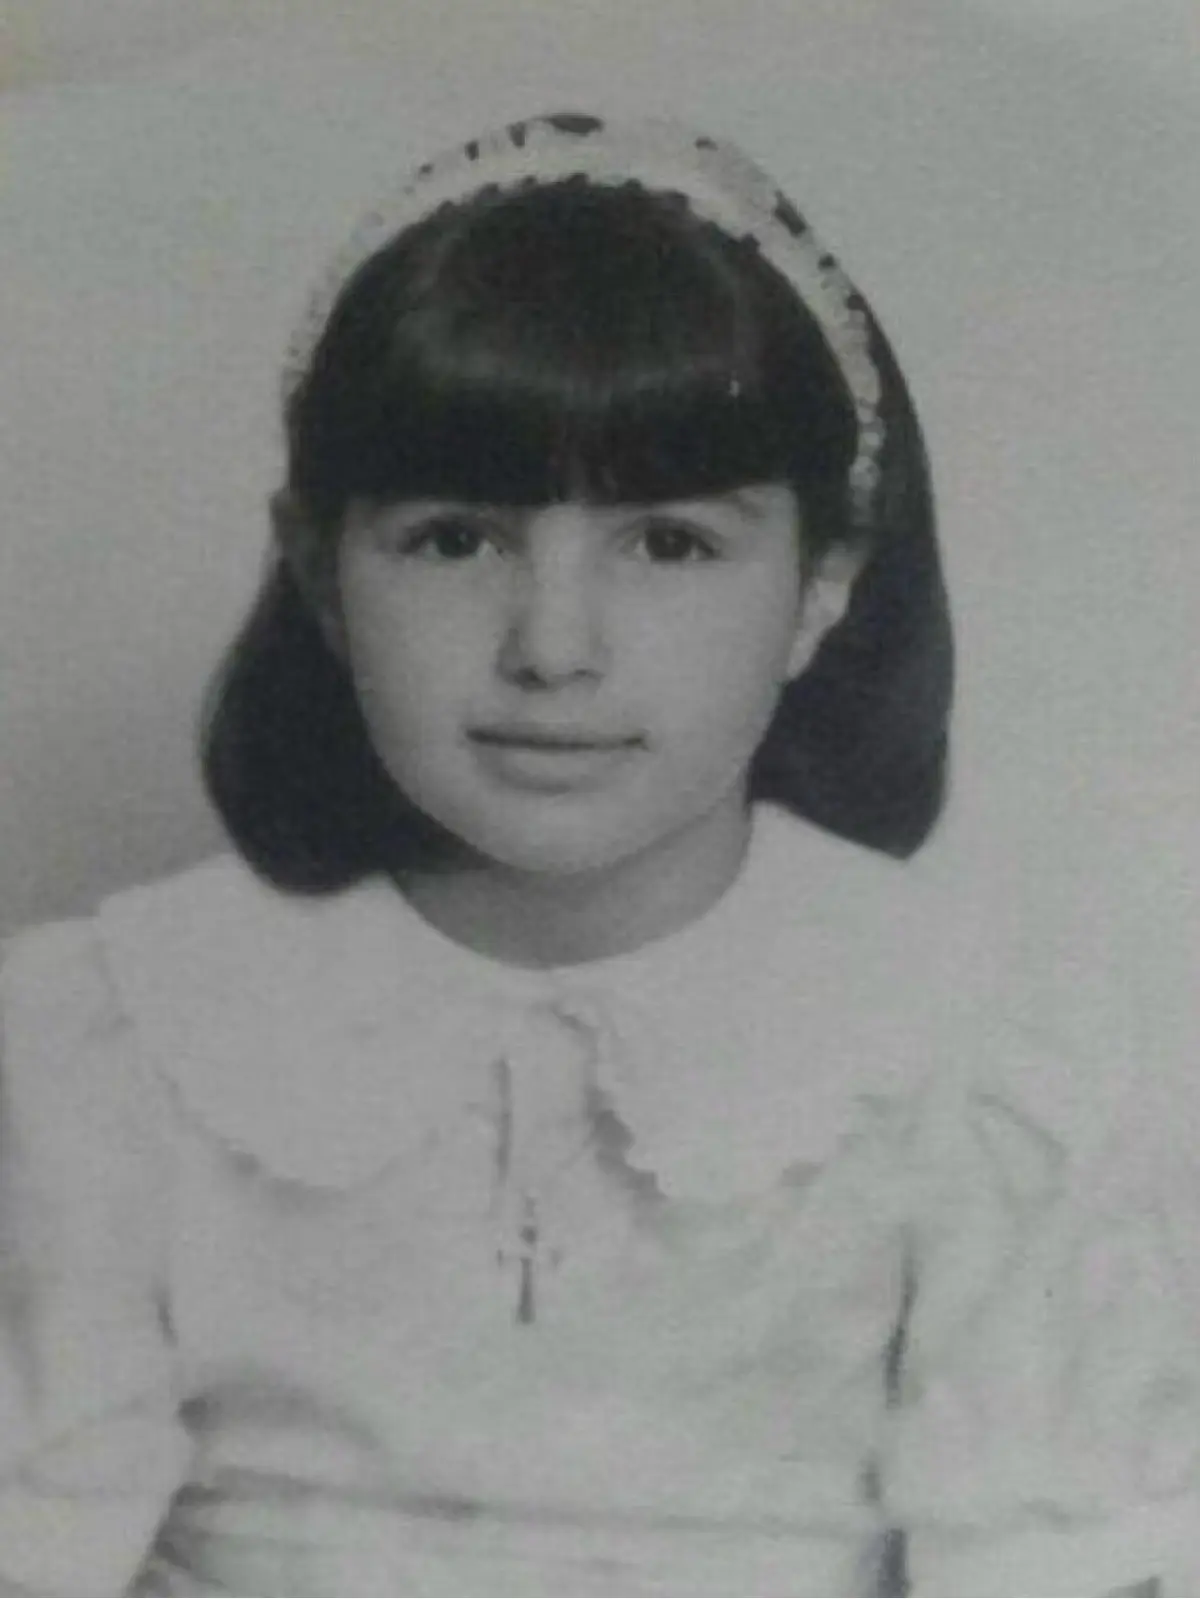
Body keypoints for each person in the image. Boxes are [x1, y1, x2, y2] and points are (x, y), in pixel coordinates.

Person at [0, 110, 1195, 1598]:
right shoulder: (108, 1047)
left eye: (670, 544)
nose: (553, 647)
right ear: (319, 569)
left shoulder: (986, 1062)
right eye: (455, 539)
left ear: (821, 587)